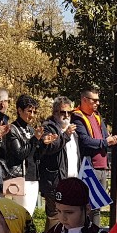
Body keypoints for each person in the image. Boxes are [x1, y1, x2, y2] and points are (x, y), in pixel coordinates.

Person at [72, 87, 117, 224]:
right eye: (94, 100)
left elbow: (105, 136)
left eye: (98, 100)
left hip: (103, 167)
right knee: (88, 206)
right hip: (89, 168)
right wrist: (105, 142)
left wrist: (112, 139)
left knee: (98, 205)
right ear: (84, 100)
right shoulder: (77, 117)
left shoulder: (97, 117)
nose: (97, 103)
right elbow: (85, 141)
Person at [0, 94, 52, 216]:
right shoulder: (12, 129)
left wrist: (44, 144)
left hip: (33, 177)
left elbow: (36, 155)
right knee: (22, 215)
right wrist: (35, 139)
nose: (32, 115)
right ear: (19, 110)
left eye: (34, 112)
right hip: (20, 177)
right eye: (29, 111)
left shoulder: (31, 129)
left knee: (29, 215)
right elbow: (20, 153)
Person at [38, 96, 80, 224]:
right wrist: (65, 135)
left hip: (72, 181)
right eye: (63, 112)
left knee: (69, 219)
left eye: (69, 112)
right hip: (55, 182)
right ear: (55, 113)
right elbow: (50, 147)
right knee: (55, 219)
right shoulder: (48, 128)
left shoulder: (73, 131)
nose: (67, 115)